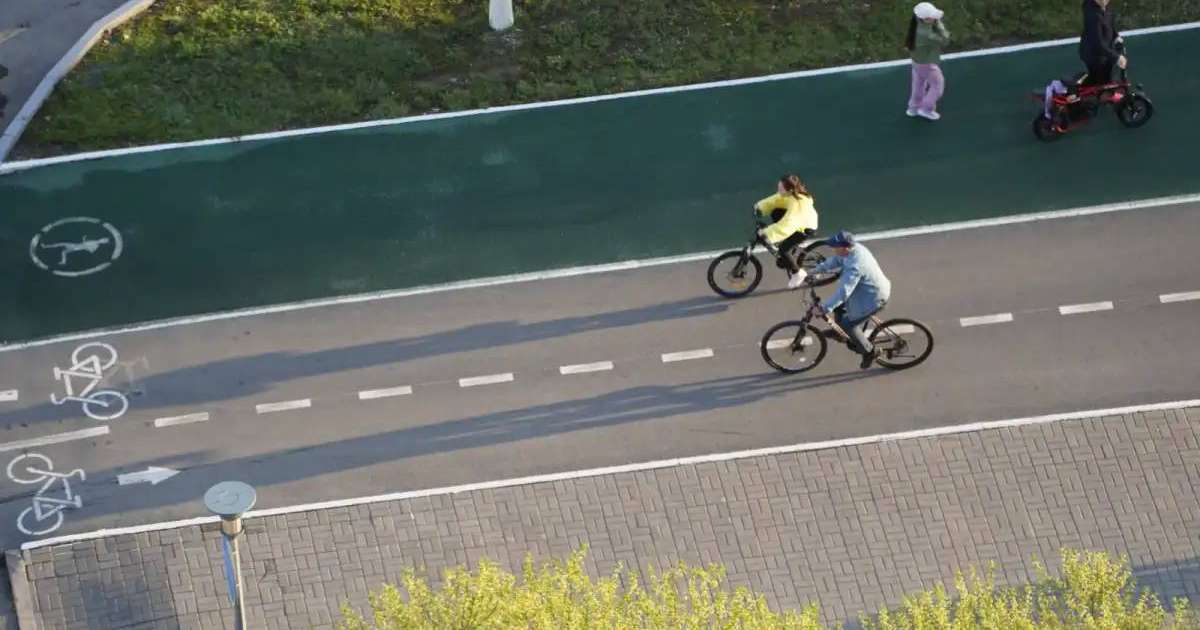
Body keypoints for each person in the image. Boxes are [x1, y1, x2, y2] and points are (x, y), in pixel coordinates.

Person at [793, 230, 891, 369]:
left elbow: (844, 292)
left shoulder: (855, 266)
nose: (832, 249)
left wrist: (823, 309)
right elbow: (835, 261)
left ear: (844, 247)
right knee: (839, 309)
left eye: (835, 246)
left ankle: (870, 352)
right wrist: (813, 272)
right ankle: (841, 333)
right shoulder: (852, 250)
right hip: (864, 292)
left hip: (873, 299)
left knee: (848, 325)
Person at [754, 175, 820, 290]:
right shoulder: (790, 194)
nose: (778, 191)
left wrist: (767, 233)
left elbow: (787, 224)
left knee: (783, 249)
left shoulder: (797, 204)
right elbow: (775, 199)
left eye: (780, 189)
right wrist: (759, 207)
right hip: (798, 221)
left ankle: (798, 273)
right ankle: (789, 249)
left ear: (789, 190)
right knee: (776, 211)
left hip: (805, 228)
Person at [905, 2, 950, 121]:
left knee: (918, 84)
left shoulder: (916, 23)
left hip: (916, 61)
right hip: (927, 64)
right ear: (926, 19)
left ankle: (913, 108)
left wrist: (933, 21)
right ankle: (926, 109)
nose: (935, 18)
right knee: (937, 86)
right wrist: (939, 25)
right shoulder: (927, 34)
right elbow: (945, 40)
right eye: (932, 17)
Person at [1079, 0, 1126, 86]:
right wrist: (1116, 57)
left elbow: (1110, 23)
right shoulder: (1093, 15)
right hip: (1094, 56)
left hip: (1106, 52)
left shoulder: (1107, 6)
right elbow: (1098, 43)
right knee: (1101, 83)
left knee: (1107, 80)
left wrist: (1116, 36)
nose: (1104, 0)